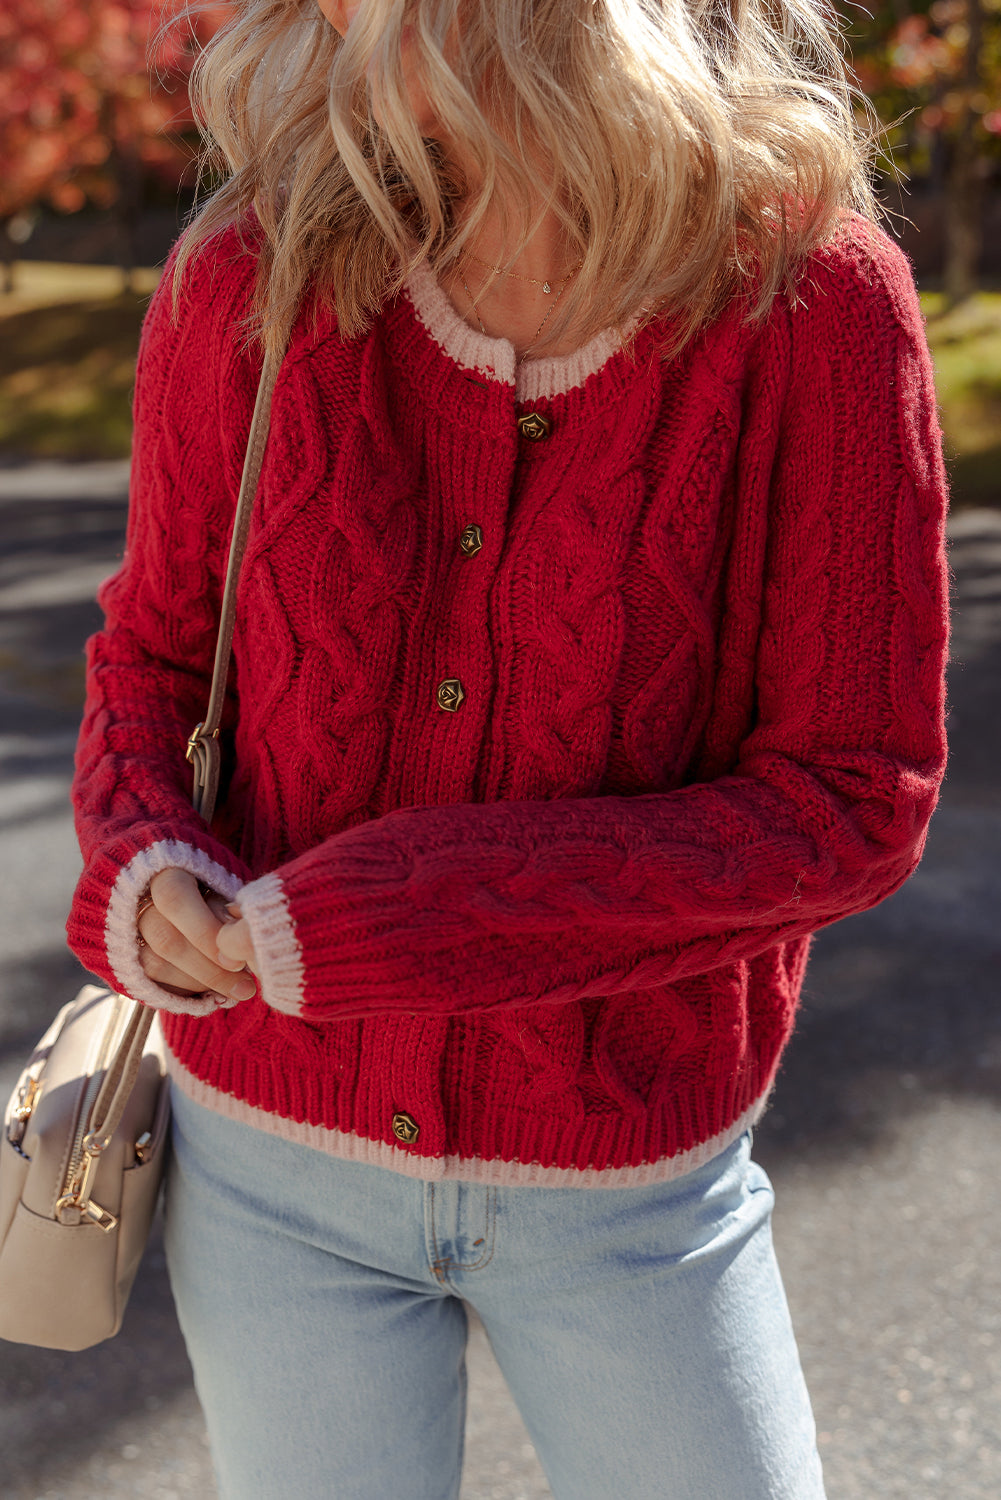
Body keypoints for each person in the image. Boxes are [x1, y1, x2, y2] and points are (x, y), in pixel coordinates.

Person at [67, 0, 950, 1496]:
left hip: (632, 1195)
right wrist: (147, 854)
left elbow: (851, 799)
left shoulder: (810, 300)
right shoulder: (252, 268)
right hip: (266, 1171)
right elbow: (151, 657)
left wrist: (394, 915)